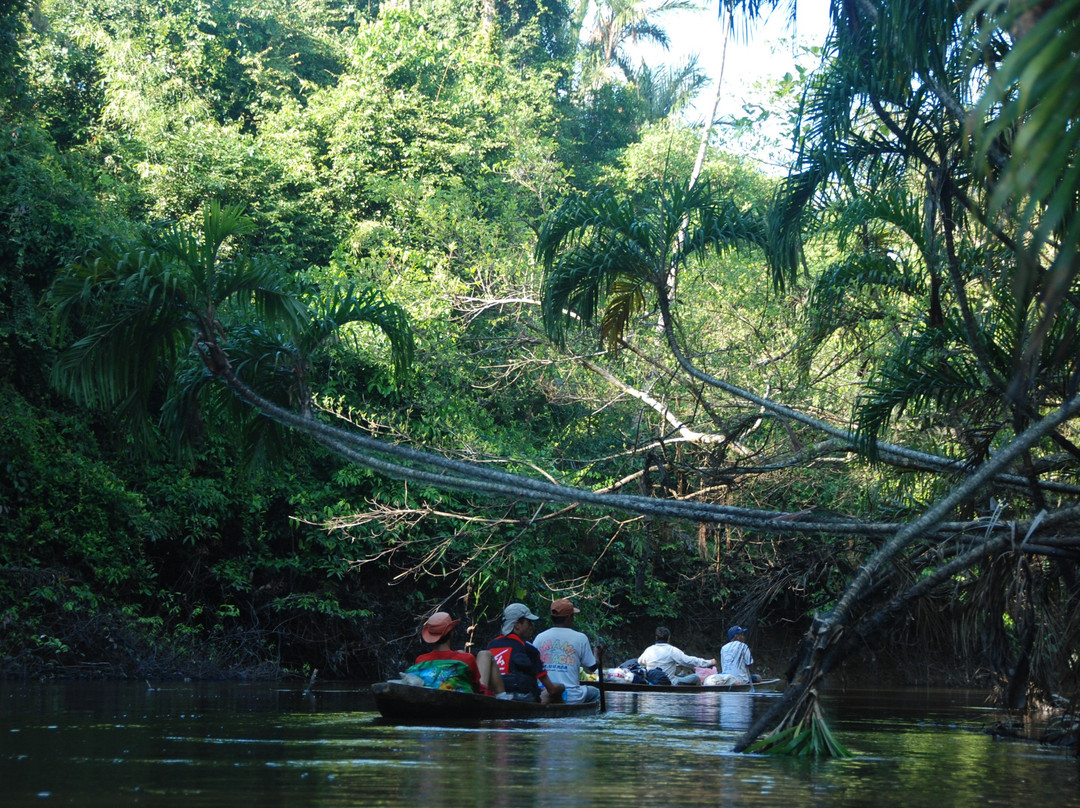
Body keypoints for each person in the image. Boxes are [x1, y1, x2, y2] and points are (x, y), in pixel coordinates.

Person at [408, 611, 506, 696]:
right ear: (451, 633)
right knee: (485, 654)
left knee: (460, 653)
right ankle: (503, 698)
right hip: (469, 698)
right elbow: (477, 688)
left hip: (434, 696)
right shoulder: (466, 659)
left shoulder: (420, 660)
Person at [485, 602, 565, 702]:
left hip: (494, 697)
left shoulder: (491, 645)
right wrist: (562, 687)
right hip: (519, 698)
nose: (531, 626)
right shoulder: (529, 649)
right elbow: (551, 689)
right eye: (529, 623)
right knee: (556, 693)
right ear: (517, 625)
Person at [532, 598, 600, 704]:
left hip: (543, 693)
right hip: (572, 696)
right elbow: (592, 667)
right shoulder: (580, 638)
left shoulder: (539, 637)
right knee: (596, 692)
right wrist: (597, 655)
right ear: (569, 617)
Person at [637, 626, 717, 686]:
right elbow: (688, 661)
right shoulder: (672, 650)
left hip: (651, 681)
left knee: (680, 675)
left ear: (656, 638)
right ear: (668, 638)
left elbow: (639, 662)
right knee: (696, 677)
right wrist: (709, 662)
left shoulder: (648, 650)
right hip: (670, 682)